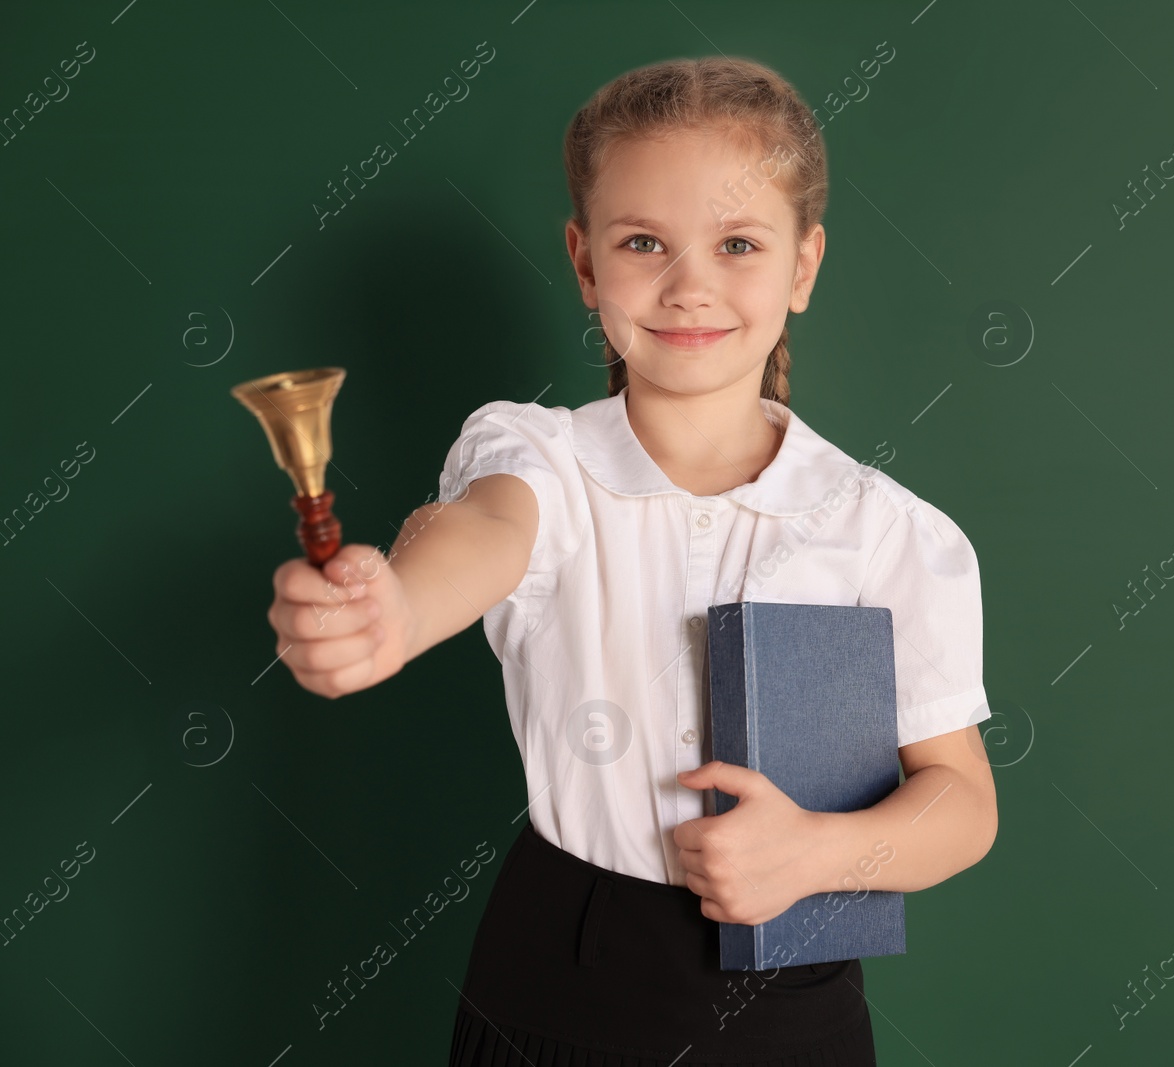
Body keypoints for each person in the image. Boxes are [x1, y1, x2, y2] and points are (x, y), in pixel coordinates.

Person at [265, 56, 998, 1066]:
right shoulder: (540, 459)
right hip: (555, 985)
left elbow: (960, 802)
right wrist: (389, 605)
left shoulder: (886, 532)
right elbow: (478, 533)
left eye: (737, 243)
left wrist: (818, 852)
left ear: (802, 265)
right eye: (643, 241)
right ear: (584, 261)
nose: (688, 283)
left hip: (791, 1011)